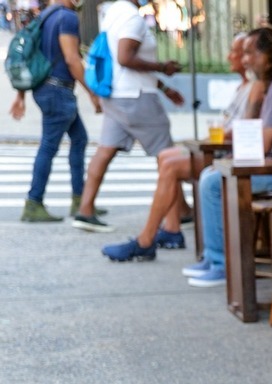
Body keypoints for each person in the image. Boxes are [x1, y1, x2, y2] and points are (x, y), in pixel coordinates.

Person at [100, 33, 263, 262]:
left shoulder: (256, 87)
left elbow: (247, 131)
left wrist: (212, 140)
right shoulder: (243, 87)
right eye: (239, 52)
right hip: (221, 150)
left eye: (241, 52)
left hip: (229, 155)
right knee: (166, 156)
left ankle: (147, 240)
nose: (233, 56)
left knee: (172, 166)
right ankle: (172, 229)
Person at [182, 25, 272, 288]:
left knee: (213, 182)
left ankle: (221, 262)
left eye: (249, 53)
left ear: (268, 54)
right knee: (211, 174)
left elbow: (265, 142)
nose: (245, 60)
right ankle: (214, 258)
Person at [70, 0, 183, 233]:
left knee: (105, 150)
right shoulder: (131, 17)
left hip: (116, 94)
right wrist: (163, 67)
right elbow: (125, 58)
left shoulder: (113, 12)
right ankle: (174, 223)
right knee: (168, 156)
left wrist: (163, 88)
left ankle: (85, 209)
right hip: (136, 97)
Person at [8, 0, 101, 222]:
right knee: (49, 146)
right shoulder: (66, 17)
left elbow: (32, 54)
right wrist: (92, 93)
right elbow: (72, 59)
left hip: (48, 89)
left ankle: (81, 200)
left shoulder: (46, 16)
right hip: (57, 90)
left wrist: (20, 95)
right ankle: (34, 202)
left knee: (79, 139)